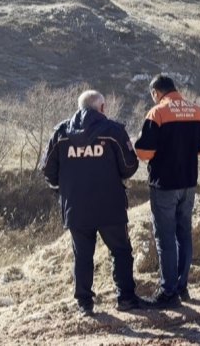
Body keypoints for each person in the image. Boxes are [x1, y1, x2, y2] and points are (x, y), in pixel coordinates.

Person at [41, 90, 142, 316]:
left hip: (76, 207)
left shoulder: (61, 132)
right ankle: (126, 298)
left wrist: (67, 187)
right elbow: (129, 167)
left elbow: (48, 171)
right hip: (110, 205)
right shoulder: (114, 131)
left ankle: (84, 304)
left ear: (79, 106)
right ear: (102, 107)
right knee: (121, 251)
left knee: (83, 256)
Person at [134, 74, 200, 309]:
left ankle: (168, 292)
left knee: (165, 237)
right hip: (188, 183)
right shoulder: (197, 111)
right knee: (183, 233)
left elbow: (144, 152)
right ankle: (181, 287)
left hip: (164, 185)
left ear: (156, 93)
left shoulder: (157, 113)